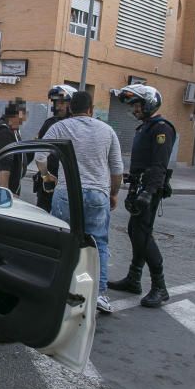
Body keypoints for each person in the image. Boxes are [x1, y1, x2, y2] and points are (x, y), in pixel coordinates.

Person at [45, 90, 123, 314]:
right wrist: (114, 193)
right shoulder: (107, 131)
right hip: (98, 194)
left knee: (63, 241)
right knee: (98, 243)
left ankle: (59, 287)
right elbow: (117, 170)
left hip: (66, 193)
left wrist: (46, 176)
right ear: (91, 110)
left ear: (70, 108)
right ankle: (99, 294)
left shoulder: (61, 127)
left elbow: (39, 156)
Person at [106, 84, 177, 308]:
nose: (134, 109)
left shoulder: (161, 128)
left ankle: (160, 287)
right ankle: (134, 279)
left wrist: (148, 192)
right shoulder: (145, 127)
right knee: (136, 232)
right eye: (133, 105)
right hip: (139, 187)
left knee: (143, 235)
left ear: (148, 103)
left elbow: (159, 165)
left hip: (149, 190)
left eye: (137, 104)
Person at [33, 84, 77, 211]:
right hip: (48, 181)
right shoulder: (49, 123)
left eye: (62, 103)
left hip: (68, 182)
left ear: (72, 104)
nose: (58, 106)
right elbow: (38, 150)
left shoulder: (77, 126)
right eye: (56, 103)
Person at [0, 98, 31, 194]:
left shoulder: (12, 130)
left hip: (10, 188)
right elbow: (4, 168)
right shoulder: (5, 132)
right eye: (24, 115)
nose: (24, 119)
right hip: (3, 191)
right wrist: (6, 195)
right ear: (17, 114)